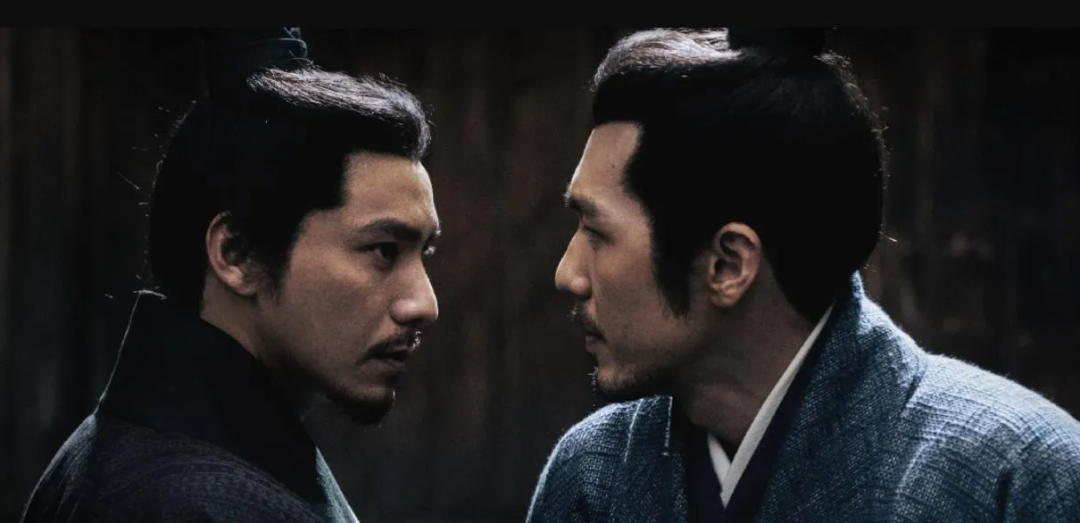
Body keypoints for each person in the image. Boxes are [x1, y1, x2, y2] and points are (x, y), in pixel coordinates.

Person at [526, 27, 1080, 522]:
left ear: (728, 265)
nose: (568, 275)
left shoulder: (1018, 478)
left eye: (596, 232)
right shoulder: (593, 476)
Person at [19, 28, 440, 523]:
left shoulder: (146, 450)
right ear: (236, 255)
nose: (424, 304)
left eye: (425, 252)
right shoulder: (187, 505)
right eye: (384, 251)